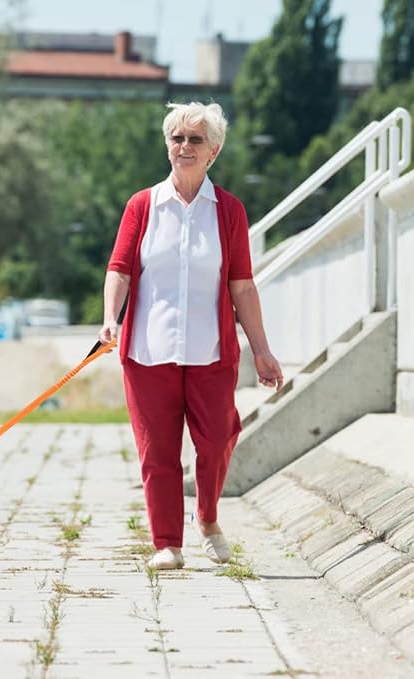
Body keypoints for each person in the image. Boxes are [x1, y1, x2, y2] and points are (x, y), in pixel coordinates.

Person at [98, 101, 283, 570]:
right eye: (177, 138)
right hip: (147, 351)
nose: (184, 146)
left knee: (220, 436)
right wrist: (109, 318)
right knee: (157, 451)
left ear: (213, 151)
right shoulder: (142, 206)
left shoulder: (229, 212)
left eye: (195, 139)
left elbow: (241, 284)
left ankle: (207, 516)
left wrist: (261, 351)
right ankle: (167, 544)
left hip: (212, 352)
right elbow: (119, 268)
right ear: (167, 146)